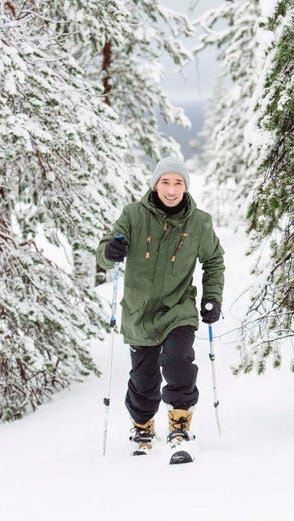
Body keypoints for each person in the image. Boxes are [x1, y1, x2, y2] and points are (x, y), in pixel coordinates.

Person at [96, 157, 225, 459]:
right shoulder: (133, 215)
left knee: (179, 360)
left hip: (178, 308)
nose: (171, 189)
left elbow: (214, 260)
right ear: (155, 185)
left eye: (178, 182)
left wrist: (212, 297)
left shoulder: (199, 222)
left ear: (186, 187)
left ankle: (180, 425)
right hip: (139, 312)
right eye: (165, 182)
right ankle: (142, 428)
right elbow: (103, 253)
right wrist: (110, 251)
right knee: (144, 380)